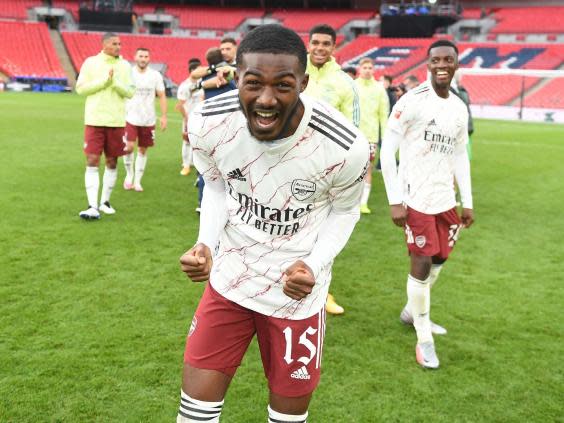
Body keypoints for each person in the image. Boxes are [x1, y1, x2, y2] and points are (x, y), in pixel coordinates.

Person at [177, 24, 368, 422]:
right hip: (229, 281)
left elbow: (346, 210)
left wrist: (313, 266)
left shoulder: (344, 145)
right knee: (194, 414)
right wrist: (205, 243)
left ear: (303, 82)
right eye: (253, 83)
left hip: (296, 296)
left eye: (282, 85)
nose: (266, 100)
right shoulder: (208, 122)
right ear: (237, 76)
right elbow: (215, 187)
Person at [380, 40, 474, 369]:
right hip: (415, 199)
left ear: (456, 64)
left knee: (438, 261)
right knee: (420, 265)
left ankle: (411, 311)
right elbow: (386, 152)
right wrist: (395, 200)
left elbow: (460, 155)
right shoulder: (412, 101)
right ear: (428, 63)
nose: (443, 65)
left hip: (445, 200)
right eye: (437, 60)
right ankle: (424, 338)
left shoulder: (459, 107)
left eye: (449, 59)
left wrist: (468, 201)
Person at [304, 23, 361, 314]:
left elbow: (353, 132)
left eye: (326, 44)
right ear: (309, 43)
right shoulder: (294, 72)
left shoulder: (344, 83)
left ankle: (322, 291)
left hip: (325, 170)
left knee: (323, 232)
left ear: (334, 48)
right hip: (286, 164)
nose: (320, 48)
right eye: (316, 42)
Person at [76, 32, 135, 220]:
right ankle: (92, 205)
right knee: (92, 160)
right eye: (114, 43)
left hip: (116, 120)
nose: (118, 46)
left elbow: (131, 92)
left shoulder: (125, 66)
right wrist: (104, 82)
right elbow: (81, 88)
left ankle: (105, 202)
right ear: (104, 45)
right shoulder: (91, 63)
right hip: (94, 119)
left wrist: (115, 83)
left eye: (120, 43)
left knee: (112, 161)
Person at [122, 47, 167, 192]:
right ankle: (129, 175)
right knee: (128, 147)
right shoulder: (128, 74)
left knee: (142, 149)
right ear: (135, 57)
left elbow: (161, 95)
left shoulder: (155, 75)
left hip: (148, 119)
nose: (143, 59)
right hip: (130, 117)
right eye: (141, 56)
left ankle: (137, 181)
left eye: (146, 56)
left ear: (149, 59)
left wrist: (164, 116)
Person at [354, 58, 389, 214]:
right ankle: (350, 202)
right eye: (365, 67)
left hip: (371, 136)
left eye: (370, 67)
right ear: (359, 69)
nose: (367, 70)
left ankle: (363, 203)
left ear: (374, 70)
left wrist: (386, 136)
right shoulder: (352, 86)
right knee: (350, 169)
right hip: (352, 135)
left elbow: (384, 114)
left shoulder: (379, 89)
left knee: (367, 169)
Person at [176, 58, 204, 176]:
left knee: (199, 142)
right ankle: (186, 165)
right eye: (198, 69)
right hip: (189, 117)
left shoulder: (203, 83)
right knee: (187, 142)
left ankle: (194, 162)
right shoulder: (185, 85)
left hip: (201, 118)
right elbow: (180, 105)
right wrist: (187, 118)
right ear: (192, 71)